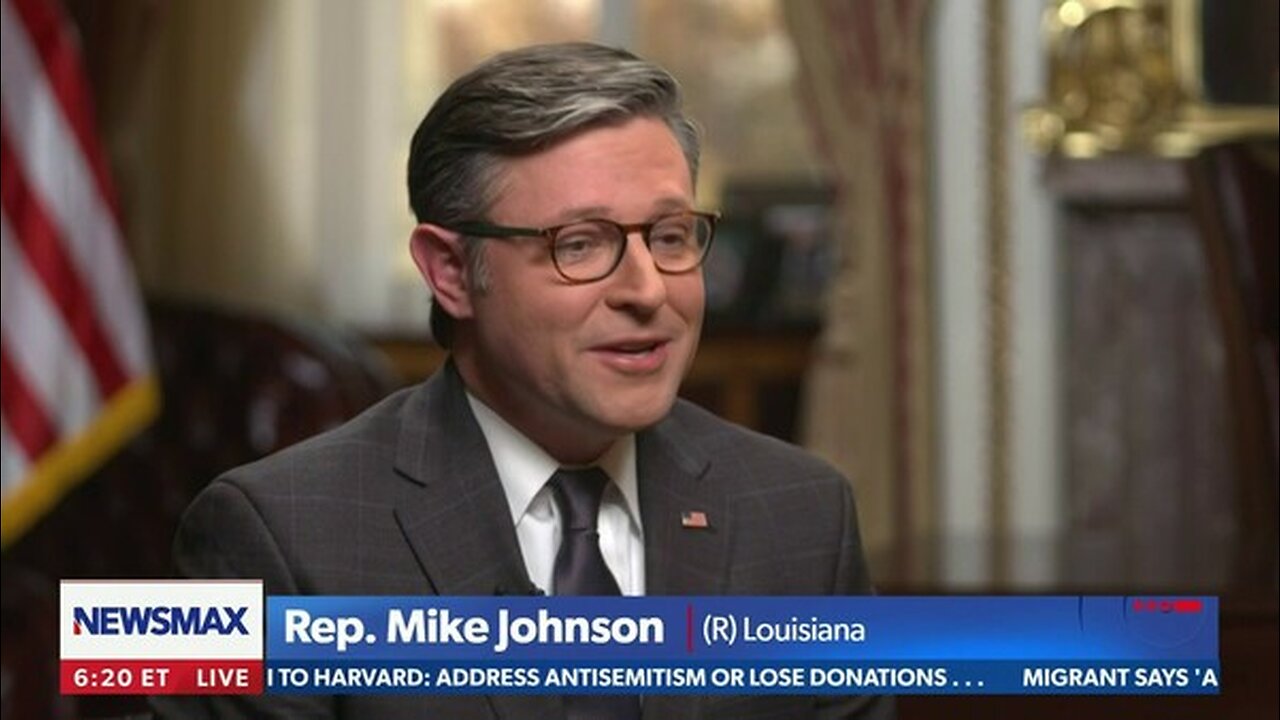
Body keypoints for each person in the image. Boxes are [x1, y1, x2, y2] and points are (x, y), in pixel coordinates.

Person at [153, 42, 893, 720]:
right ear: (451, 272)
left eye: (669, 237)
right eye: (580, 243)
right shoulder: (277, 540)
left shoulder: (801, 517)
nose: (647, 290)